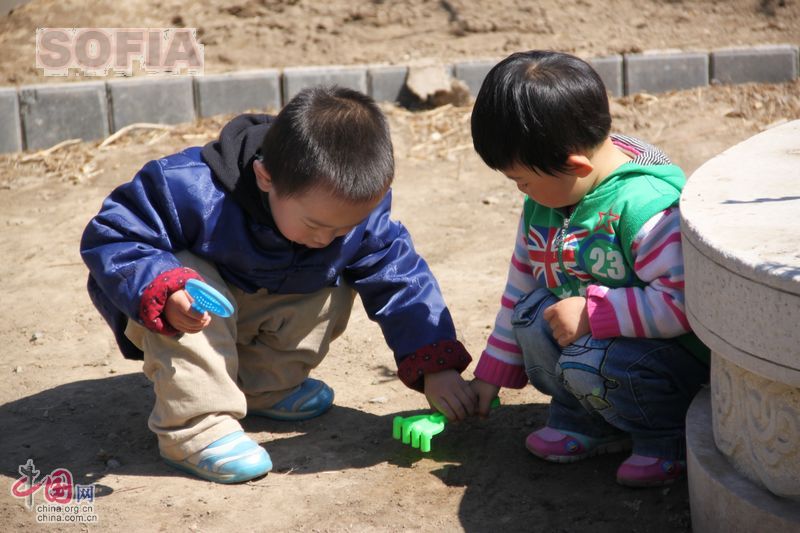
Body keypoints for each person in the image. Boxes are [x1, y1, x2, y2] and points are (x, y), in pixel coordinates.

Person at [80, 86, 476, 484]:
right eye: (317, 226)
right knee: (185, 273)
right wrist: (163, 289)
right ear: (265, 177)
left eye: (346, 227)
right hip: (193, 312)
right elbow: (113, 234)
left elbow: (401, 279)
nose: (329, 238)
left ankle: (263, 388)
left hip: (265, 303)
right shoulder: (188, 188)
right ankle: (196, 426)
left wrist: (434, 365)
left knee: (340, 280)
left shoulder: (352, 219)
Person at [467, 50, 709, 487]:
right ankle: (588, 422)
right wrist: (492, 373)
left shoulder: (646, 210)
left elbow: (685, 302)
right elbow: (518, 287)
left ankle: (666, 439)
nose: (520, 191)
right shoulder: (547, 202)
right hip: (597, 347)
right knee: (531, 312)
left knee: (588, 355)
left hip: (665, 362)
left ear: (576, 166)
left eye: (521, 180)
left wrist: (595, 313)